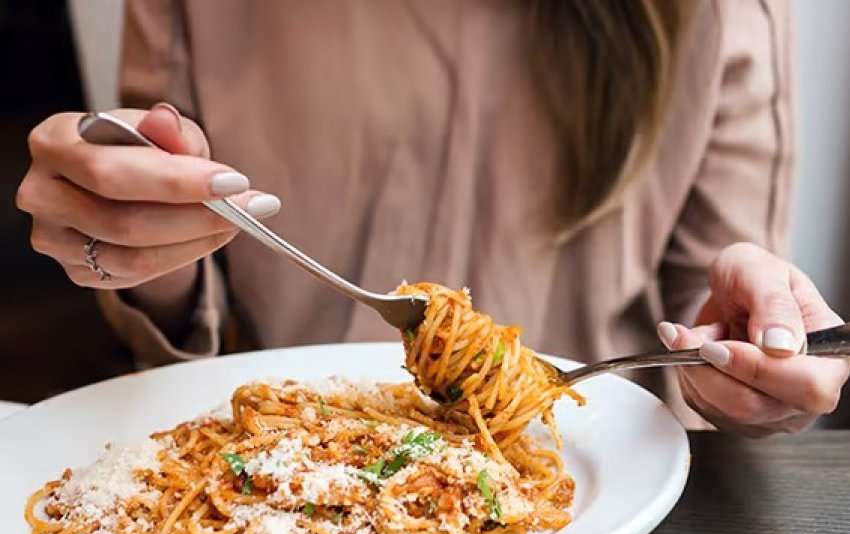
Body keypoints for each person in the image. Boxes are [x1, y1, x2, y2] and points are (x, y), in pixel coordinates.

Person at [15, 0, 848, 437]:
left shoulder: (727, 9)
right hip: (280, 468)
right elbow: (181, 309)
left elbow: (720, 326)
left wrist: (750, 369)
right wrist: (137, 243)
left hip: (593, 495)